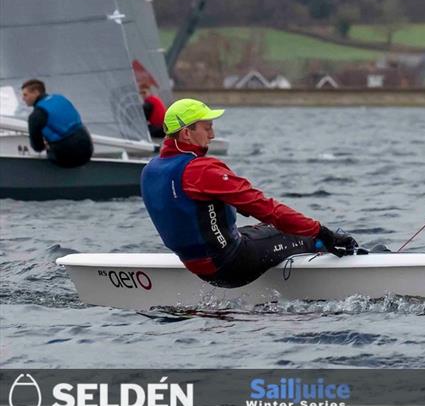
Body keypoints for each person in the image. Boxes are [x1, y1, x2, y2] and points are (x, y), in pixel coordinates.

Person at [141, 98, 360, 289]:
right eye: (207, 128)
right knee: (305, 234)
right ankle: (348, 257)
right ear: (187, 133)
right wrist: (323, 232)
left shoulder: (149, 170)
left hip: (197, 267)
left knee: (264, 230)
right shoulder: (201, 170)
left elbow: (185, 209)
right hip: (232, 265)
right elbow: (268, 209)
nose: (213, 134)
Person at [21, 79, 93, 168]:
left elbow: (37, 147)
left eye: (25, 95)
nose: (23, 99)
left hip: (69, 158)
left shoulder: (36, 115)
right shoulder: (60, 98)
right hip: (88, 149)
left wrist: (46, 145)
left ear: (36, 92)